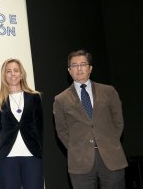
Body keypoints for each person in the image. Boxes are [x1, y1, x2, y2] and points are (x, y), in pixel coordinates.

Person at [53, 49, 128, 189]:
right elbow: (61, 130)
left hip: (111, 157)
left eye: (83, 64)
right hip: (80, 161)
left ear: (90, 68)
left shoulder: (108, 91)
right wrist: (76, 148)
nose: (79, 68)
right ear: (69, 70)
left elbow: (118, 122)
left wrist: (109, 142)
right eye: (74, 65)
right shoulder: (60, 99)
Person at [0, 58, 44, 189]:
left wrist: (38, 151)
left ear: (21, 74)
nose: (13, 74)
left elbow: (40, 128)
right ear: (4, 76)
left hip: (31, 156)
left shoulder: (34, 97)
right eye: (8, 71)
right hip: (7, 157)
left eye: (16, 70)